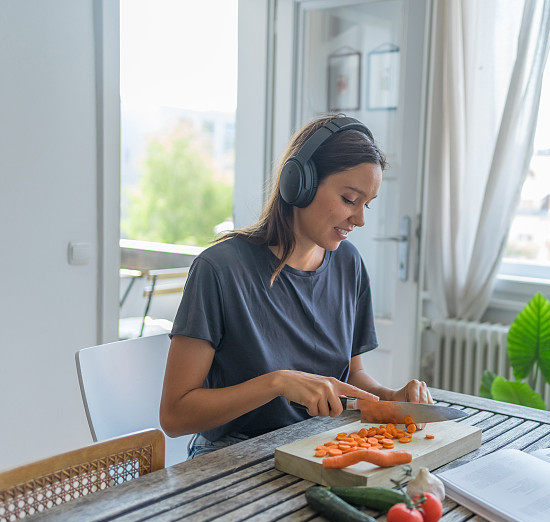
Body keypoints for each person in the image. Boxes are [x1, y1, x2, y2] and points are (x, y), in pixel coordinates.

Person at [159, 114, 433, 459]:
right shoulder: (219, 269)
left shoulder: (349, 264)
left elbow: (353, 375)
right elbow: (174, 415)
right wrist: (277, 383)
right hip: (233, 453)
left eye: (367, 205)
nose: (360, 219)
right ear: (299, 183)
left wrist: (391, 399)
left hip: (316, 445)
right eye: (350, 200)